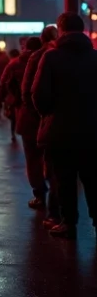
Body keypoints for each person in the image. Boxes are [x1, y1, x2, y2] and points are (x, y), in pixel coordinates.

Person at [32, 13, 97, 239]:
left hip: (60, 130)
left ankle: (68, 223)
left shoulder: (51, 57)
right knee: (92, 177)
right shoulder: (95, 57)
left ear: (60, 29)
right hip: (92, 129)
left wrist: (49, 114)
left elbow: (38, 93)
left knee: (64, 179)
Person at [19, 25, 59, 219]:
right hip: (60, 119)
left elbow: (28, 92)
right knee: (55, 162)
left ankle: (40, 195)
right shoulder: (67, 55)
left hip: (34, 119)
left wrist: (38, 113)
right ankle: (56, 200)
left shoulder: (37, 57)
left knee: (34, 159)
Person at [0, 47, 22, 140]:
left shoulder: (11, 64)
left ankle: (13, 133)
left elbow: (3, 80)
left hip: (13, 94)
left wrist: (1, 95)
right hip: (22, 93)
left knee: (12, 114)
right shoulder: (25, 62)